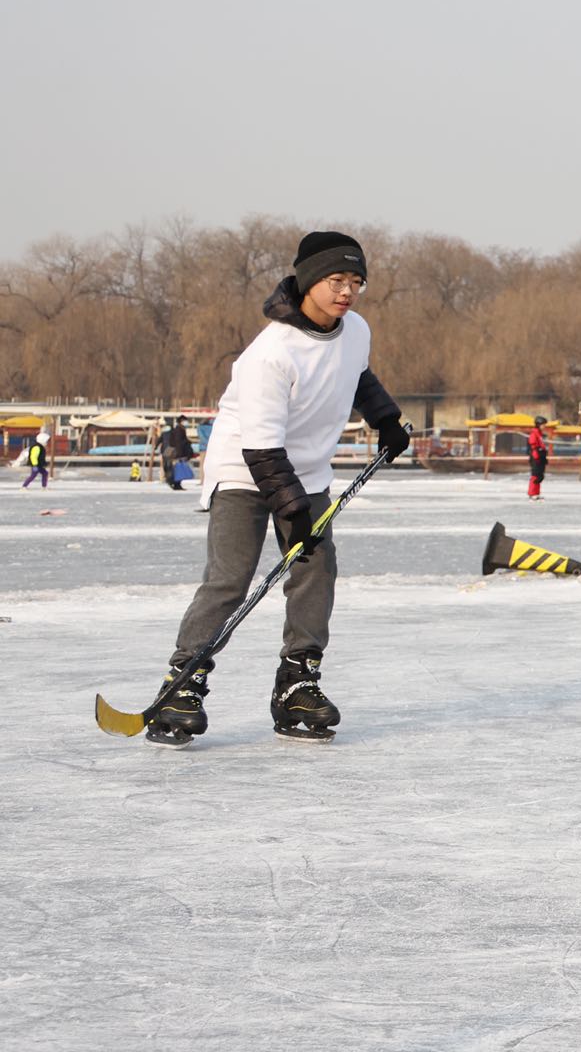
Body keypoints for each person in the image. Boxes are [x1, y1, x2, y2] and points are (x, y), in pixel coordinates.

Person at [144, 231, 409, 748]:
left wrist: (386, 418)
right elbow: (262, 451)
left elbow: (355, 376)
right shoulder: (269, 354)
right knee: (229, 579)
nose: (347, 292)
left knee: (316, 571)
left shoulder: (354, 330)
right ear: (310, 281)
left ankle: (297, 682)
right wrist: (295, 516)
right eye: (336, 280)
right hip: (245, 471)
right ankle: (182, 683)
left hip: (306, 472)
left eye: (356, 281)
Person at [160, 416, 195, 491]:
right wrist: (180, 453)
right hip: (178, 452)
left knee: (177, 469)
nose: (186, 422)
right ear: (181, 421)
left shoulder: (179, 429)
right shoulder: (179, 429)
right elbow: (178, 442)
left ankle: (176, 483)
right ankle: (175, 483)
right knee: (177, 469)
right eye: (185, 421)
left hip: (178, 452)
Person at [526, 416, 550, 502]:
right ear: (539, 424)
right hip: (536, 457)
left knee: (540, 476)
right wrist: (536, 457)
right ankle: (532, 494)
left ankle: (536, 493)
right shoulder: (534, 433)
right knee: (535, 476)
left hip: (541, 456)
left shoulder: (539, 434)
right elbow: (533, 445)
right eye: (543, 425)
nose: (544, 426)